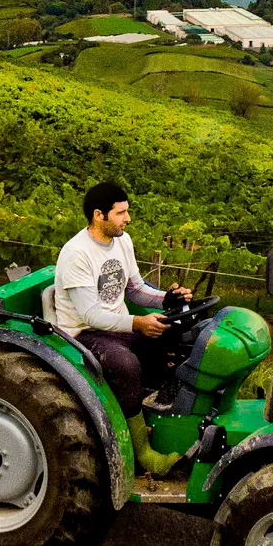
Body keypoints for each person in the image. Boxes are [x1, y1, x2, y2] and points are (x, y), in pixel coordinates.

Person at [53, 180, 190, 476]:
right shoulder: (77, 253)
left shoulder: (122, 241)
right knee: (124, 365)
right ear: (98, 215)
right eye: (121, 213)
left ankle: (161, 410)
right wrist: (138, 323)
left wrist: (169, 298)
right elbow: (90, 315)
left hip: (119, 326)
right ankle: (142, 454)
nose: (128, 219)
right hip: (84, 334)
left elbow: (135, 289)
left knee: (178, 333)